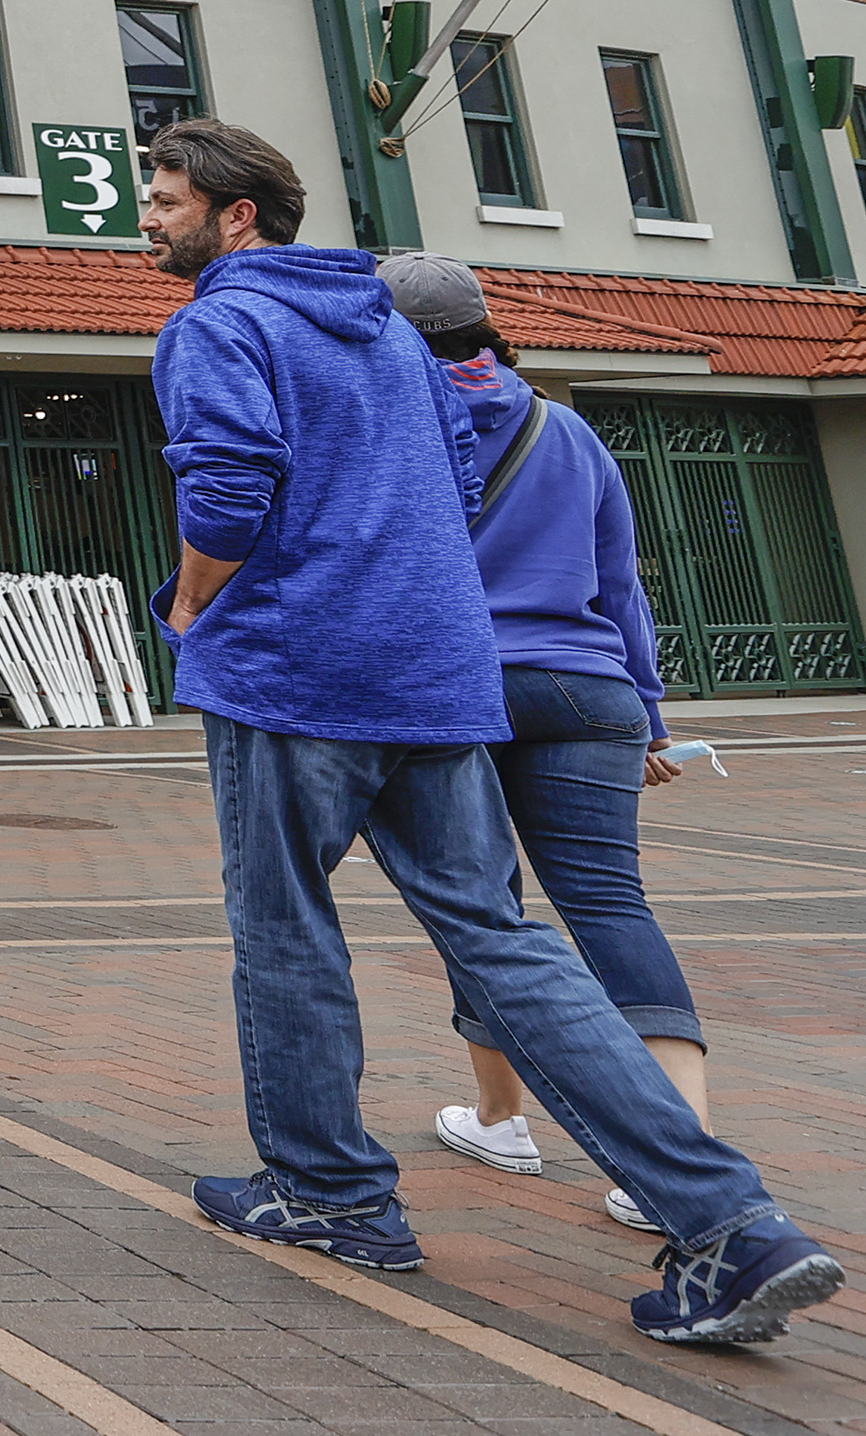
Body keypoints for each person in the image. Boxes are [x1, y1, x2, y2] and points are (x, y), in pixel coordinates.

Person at [138, 118, 840, 1346]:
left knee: (286, 929)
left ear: (233, 216)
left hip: (298, 669)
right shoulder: (394, 337)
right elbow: (456, 493)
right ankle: (730, 1223)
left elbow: (231, 487)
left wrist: (194, 600)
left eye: (163, 196)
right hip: (434, 670)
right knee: (503, 937)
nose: (143, 215)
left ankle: (330, 1194)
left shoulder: (218, 323)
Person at [379, 256, 710, 1237]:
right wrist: (647, 716)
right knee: (612, 907)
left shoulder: (390, 430)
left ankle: (500, 1119)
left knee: (482, 908)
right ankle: (684, 1149)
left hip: (457, 689)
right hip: (591, 688)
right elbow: (622, 585)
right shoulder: (567, 431)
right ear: (485, 330)